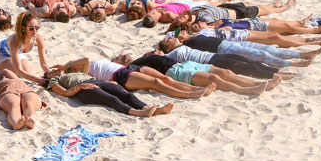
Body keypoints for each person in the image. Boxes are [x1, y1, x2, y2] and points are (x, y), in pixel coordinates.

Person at [112, 53, 280, 95]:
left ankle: (257, 83)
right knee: (214, 78)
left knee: (225, 72)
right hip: (175, 72)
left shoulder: (141, 58)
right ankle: (247, 89)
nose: (122, 56)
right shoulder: (133, 67)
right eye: (118, 58)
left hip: (185, 64)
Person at [51, 57, 215, 99]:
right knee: (156, 83)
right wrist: (66, 68)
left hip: (127, 68)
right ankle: (189, 94)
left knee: (166, 79)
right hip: (120, 75)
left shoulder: (88, 64)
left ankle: (197, 89)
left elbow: (85, 59)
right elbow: (85, 61)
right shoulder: (85, 73)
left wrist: (66, 65)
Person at [45, 67, 174, 117]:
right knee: (111, 99)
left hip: (97, 81)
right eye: (51, 70)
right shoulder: (55, 80)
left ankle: (153, 110)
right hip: (82, 90)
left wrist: (66, 65)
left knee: (126, 94)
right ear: (48, 76)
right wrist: (78, 88)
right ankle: (139, 112)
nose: (54, 69)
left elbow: (86, 60)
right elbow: (64, 92)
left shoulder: (74, 72)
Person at [166, 31, 321, 68]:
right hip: (224, 49)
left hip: (229, 43)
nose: (184, 32)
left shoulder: (196, 35)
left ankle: (301, 54)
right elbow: (169, 36)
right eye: (180, 33)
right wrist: (174, 38)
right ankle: (294, 63)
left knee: (267, 48)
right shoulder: (186, 45)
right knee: (261, 55)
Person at [154, 39, 294, 79]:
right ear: (167, 48)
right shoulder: (170, 56)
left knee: (251, 61)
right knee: (246, 68)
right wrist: (158, 54)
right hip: (213, 62)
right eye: (168, 40)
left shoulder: (182, 45)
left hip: (215, 56)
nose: (170, 37)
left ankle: (278, 71)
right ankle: (274, 75)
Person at [0, 12, 50, 85]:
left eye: (37, 27)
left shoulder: (38, 37)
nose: (35, 31)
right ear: (23, 28)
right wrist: (37, 79)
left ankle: (2, 65)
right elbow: (19, 70)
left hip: (15, 52)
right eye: (31, 28)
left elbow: (44, 64)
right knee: (17, 74)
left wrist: (50, 73)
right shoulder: (15, 41)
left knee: (29, 73)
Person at [170, 0, 297, 29]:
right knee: (260, 11)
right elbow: (217, 24)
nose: (178, 17)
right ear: (184, 24)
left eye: (177, 17)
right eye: (178, 20)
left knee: (257, 7)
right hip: (237, 14)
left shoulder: (193, 10)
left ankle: (272, 5)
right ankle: (284, 7)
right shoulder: (203, 21)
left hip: (226, 6)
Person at [185, 22, 321, 48]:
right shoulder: (199, 37)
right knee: (276, 39)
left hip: (241, 32)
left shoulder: (207, 28)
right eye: (195, 27)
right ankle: (312, 42)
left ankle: (309, 38)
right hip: (240, 38)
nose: (198, 24)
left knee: (274, 35)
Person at [141, 0, 233, 27]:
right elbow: (181, 19)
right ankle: (222, 1)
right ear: (156, 20)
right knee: (207, 4)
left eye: (149, 13)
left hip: (178, 4)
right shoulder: (168, 16)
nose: (152, 12)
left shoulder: (156, 10)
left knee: (197, 0)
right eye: (152, 14)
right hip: (187, 8)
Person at [193, 15, 321, 35]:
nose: (199, 23)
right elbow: (229, 28)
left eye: (198, 23)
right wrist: (209, 28)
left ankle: (300, 23)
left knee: (280, 22)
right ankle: (315, 30)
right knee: (286, 28)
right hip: (253, 28)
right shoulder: (216, 29)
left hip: (251, 22)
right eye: (198, 26)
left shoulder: (213, 22)